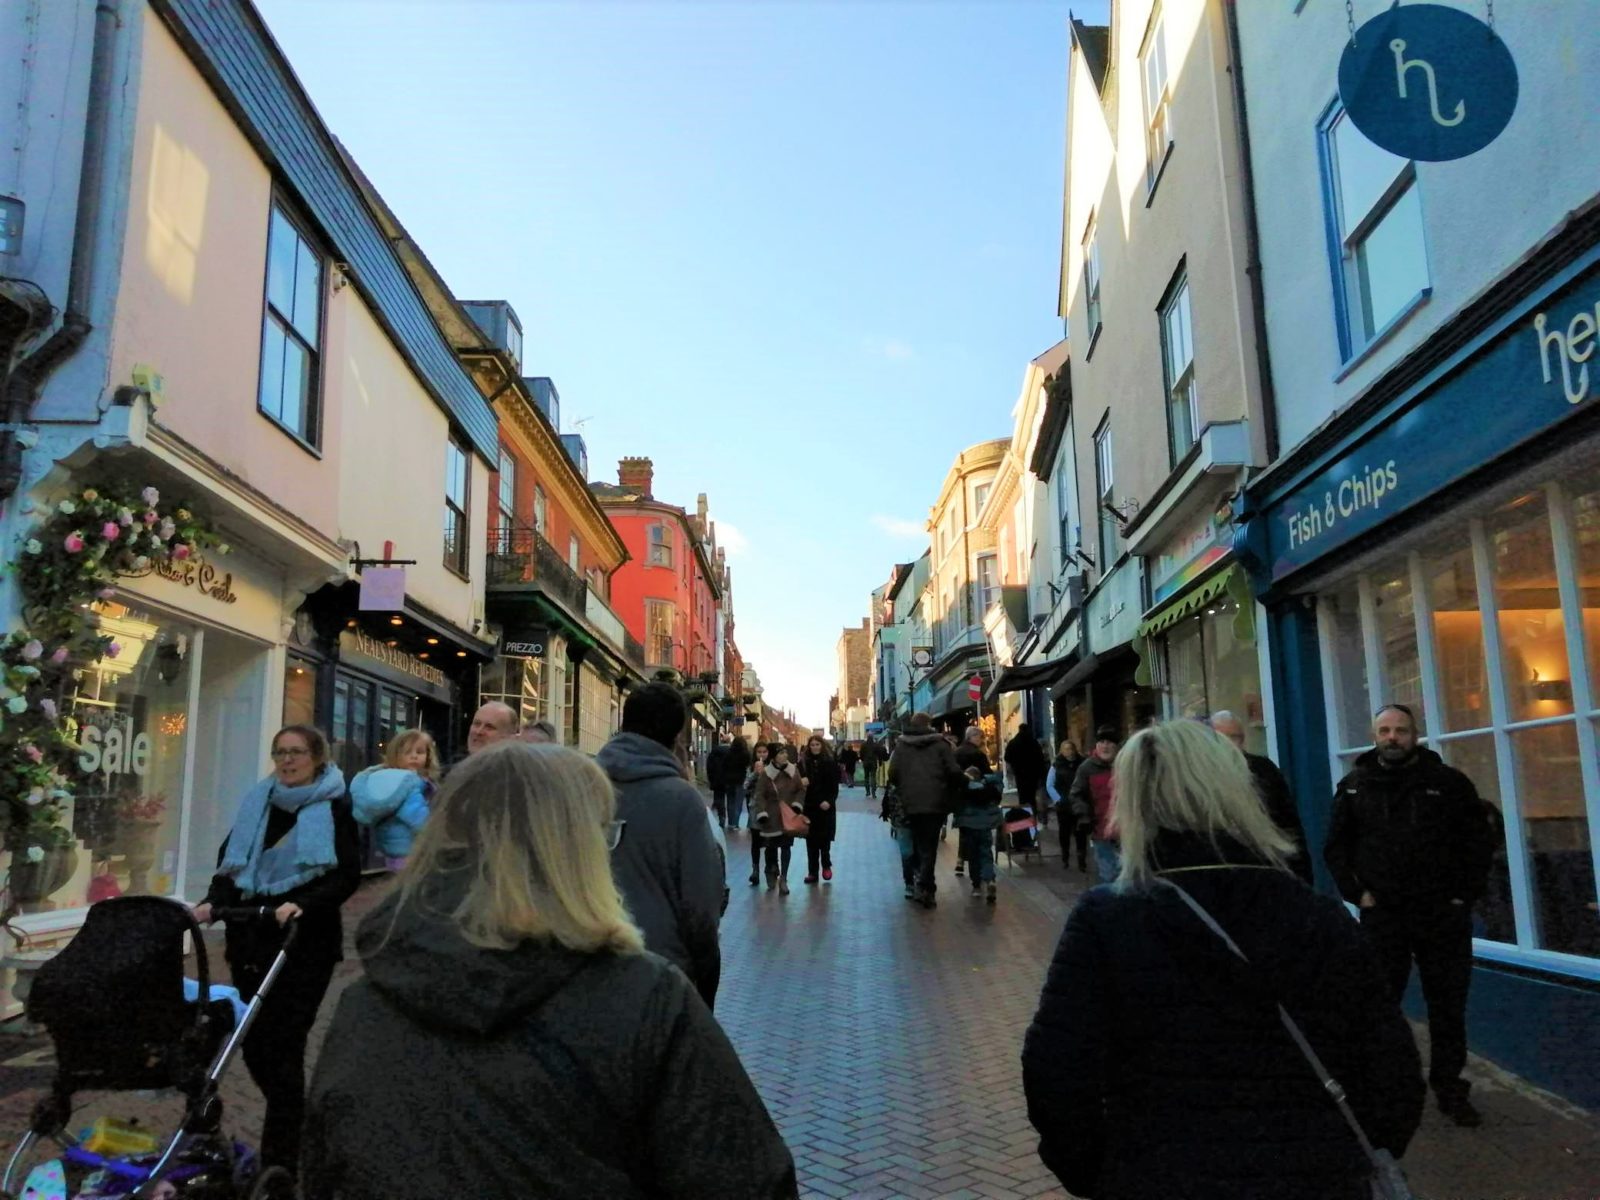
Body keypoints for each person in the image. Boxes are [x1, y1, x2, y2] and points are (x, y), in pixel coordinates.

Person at [301, 742, 798, 1199]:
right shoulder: (644, 1001)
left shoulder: (364, 1004)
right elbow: (748, 1179)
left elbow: (324, 1169)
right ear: (577, 847)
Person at [1022, 720, 1425, 1200]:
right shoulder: (1317, 915)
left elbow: (1058, 1070)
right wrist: (1344, 1156)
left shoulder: (1108, 919)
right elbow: (1391, 1069)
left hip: (1162, 1175)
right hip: (1311, 1177)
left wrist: (1102, 1172)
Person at [191, 725, 361, 1173]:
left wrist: (302, 904)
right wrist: (212, 902)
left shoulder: (334, 806)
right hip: (249, 941)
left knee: (282, 1046)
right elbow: (231, 864)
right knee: (253, 1049)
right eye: (280, 753)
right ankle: (298, 1123)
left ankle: (281, 1160)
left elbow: (344, 876)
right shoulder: (258, 802)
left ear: (316, 758)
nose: (287, 761)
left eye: (297, 753)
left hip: (303, 946)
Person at [1325, 703, 1495, 1128]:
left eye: (1400, 730)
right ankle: (1383, 1087)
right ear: (1374, 735)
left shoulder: (1448, 784)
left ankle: (1450, 1089)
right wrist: (1357, 893)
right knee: (1381, 1005)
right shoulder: (1354, 787)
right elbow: (1336, 848)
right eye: (1384, 730)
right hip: (1383, 916)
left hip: (1442, 915)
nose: (1392, 737)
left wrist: (1463, 896)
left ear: (1415, 734)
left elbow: (1478, 842)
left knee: (1448, 1007)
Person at [596, 683, 725, 1009]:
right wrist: (706, 975)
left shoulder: (580, 785)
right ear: (678, 735)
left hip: (587, 960)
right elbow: (700, 908)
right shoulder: (682, 799)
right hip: (660, 972)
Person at [1209, 711, 1313, 885]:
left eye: (1235, 737)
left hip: (1267, 866)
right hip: (1222, 871)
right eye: (1221, 737)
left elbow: (1288, 823)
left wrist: (1302, 876)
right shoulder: (1201, 776)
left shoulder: (1264, 770)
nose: (1229, 744)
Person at [887, 712, 964, 908]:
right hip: (935, 803)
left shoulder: (902, 746)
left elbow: (893, 774)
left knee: (917, 844)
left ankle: (920, 883)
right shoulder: (940, 745)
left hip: (910, 803)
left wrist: (905, 788)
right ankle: (926, 887)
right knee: (929, 846)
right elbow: (954, 771)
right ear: (929, 725)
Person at [349, 728, 439, 871]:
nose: (414, 756)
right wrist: (437, 832)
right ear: (395, 755)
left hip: (392, 847)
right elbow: (414, 813)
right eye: (407, 752)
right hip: (410, 847)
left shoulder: (386, 778)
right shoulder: (408, 782)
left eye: (419, 752)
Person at [1069, 726, 1121, 883]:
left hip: (1128, 831)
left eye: (1109, 742)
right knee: (1109, 876)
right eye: (1101, 742)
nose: (1105, 746)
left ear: (1116, 746)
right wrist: (1083, 815)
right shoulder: (1087, 768)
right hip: (1101, 831)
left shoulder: (1126, 764)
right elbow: (1076, 794)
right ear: (1096, 746)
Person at [753, 743, 805, 895]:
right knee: (771, 847)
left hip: (788, 815)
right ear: (774, 756)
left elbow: (800, 790)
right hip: (770, 816)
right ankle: (771, 870)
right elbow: (760, 794)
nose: (785, 756)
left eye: (785, 753)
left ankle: (784, 878)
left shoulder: (793, 771)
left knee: (786, 847)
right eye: (781, 753)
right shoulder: (766, 774)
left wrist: (797, 805)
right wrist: (762, 812)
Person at [954, 767, 1003, 904]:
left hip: (969, 828)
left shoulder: (963, 790)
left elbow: (956, 806)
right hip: (985, 827)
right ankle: (990, 880)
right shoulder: (987, 789)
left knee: (973, 857)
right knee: (986, 854)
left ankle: (976, 886)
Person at [1045, 739, 1088, 872]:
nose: (1069, 752)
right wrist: (1058, 799)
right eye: (1066, 749)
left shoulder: (1082, 763)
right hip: (1063, 804)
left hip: (1079, 802)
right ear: (1061, 751)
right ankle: (1065, 856)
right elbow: (1050, 785)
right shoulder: (1056, 765)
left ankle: (1082, 859)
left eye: (1071, 748)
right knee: (1064, 832)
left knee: (1080, 832)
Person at [801, 735, 839, 883]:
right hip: (810, 806)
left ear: (822, 746)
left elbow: (834, 786)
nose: (815, 747)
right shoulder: (804, 763)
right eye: (812, 745)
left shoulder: (830, 763)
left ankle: (826, 865)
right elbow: (800, 783)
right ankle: (812, 872)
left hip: (826, 807)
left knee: (824, 840)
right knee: (811, 841)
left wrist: (829, 801)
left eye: (817, 744)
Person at [953, 727, 990, 879]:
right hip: (977, 795)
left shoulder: (957, 752)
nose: (981, 740)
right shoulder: (978, 754)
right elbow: (987, 774)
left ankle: (961, 859)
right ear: (972, 737)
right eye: (979, 737)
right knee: (977, 831)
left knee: (964, 828)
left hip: (961, 795)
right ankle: (975, 862)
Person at [1005, 723, 1050, 828]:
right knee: (1032, 797)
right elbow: (1040, 758)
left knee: (1023, 797)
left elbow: (1007, 757)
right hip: (1033, 774)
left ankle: (1026, 818)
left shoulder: (1013, 742)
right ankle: (1034, 816)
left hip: (1020, 774)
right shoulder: (1033, 742)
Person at [745, 742, 771, 885]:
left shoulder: (773, 768)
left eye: (764, 752)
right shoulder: (751, 768)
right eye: (759, 752)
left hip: (769, 808)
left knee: (769, 840)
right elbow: (745, 786)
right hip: (755, 808)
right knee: (755, 841)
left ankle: (771, 867)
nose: (762, 755)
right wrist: (755, 773)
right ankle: (755, 870)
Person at [720, 732, 752, 830]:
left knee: (730, 802)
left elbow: (723, 766)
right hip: (740, 781)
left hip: (729, 781)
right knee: (738, 803)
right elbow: (747, 766)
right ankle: (736, 824)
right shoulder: (746, 754)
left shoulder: (729, 754)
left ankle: (731, 823)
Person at [706, 734, 734, 828]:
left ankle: (722, 817)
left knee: (719, 799)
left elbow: (709, 766)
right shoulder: (732, 752)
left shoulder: (714, 751)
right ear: (729, 742)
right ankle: (732, 821)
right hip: (730, 779)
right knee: (731, 800)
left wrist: (711, 778)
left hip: (717, 779)